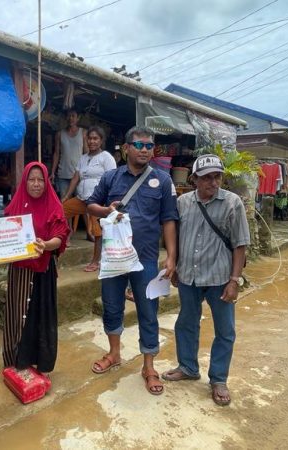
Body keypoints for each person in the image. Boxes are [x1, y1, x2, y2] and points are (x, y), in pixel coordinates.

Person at [86, 126, 178, 396]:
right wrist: (106, 210)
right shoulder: (110, 177)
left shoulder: (162, 180)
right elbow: (90, 204)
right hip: (114, 258)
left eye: (150, 146)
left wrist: (171, 256)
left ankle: (149, 366)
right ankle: (114, 353)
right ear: (126, 148)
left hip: (147, 259)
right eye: (139, 145)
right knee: (112, 307)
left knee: (148, 312)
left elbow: (169, 220)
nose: (145, 150)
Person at [162, 154, 250, 407]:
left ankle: (218, 379)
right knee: (186, 323)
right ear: (194, 180)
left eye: (217, 176)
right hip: (189, 275)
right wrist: (175, 265)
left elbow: (240, 245)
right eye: (207, 177)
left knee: (225, 330)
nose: (214, 182)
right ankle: (188, 367)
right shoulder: (183, 203)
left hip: (220, 278)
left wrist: (235, 280)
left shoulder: (233, 203)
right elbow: (176, 236)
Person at [2, 162, 70, 375]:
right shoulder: (15, 205)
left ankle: (40, 361)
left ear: (47, 181)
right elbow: (5, 236)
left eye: (41, 179)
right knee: (17, 312)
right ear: (24, 181)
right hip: (20, 270)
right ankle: (16, 359)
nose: (36, 184)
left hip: (43, 269)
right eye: (31, 179)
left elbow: (60, 236)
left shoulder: (54, 205)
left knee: (40, 314)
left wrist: (46, 245)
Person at [61, 126, 116, 272]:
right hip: (82, 199)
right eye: (90, 138)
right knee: (60, 212)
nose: (92, 141)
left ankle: (95, 261)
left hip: (98, 202)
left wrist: (108, 202)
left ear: (101, 140)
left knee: (98, 231)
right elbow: (75, 178)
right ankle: (60, 243)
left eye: (95, 138)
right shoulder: (83, 158)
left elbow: (112, 180)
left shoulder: (106, 157)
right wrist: (66, 196)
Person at [51, 109, 87, 196]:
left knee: (79, 203)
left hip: (78, 175)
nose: (70, 118)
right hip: (63, 175)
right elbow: (56, 154)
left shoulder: (83, 132)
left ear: (78, 118)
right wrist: (52, 172)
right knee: (64, 204)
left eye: (73, 116)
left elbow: (87, 153)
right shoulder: (59, 134)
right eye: (68, 116)